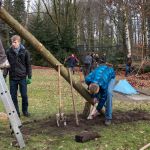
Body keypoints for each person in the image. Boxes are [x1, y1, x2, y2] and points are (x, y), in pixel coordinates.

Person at [3, 35, 32, 117]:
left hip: (22, 77)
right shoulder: (8, 52)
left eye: (15, 42)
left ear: (19, 42)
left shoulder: (25, 51)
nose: (13, 44)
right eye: (12, 42)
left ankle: (25, 111)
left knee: (24, 95)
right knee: (13, 97)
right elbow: (6, 65)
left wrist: (29, 76)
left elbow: (28, 65)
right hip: (12, 78)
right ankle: (16, 112)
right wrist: (4, 76)